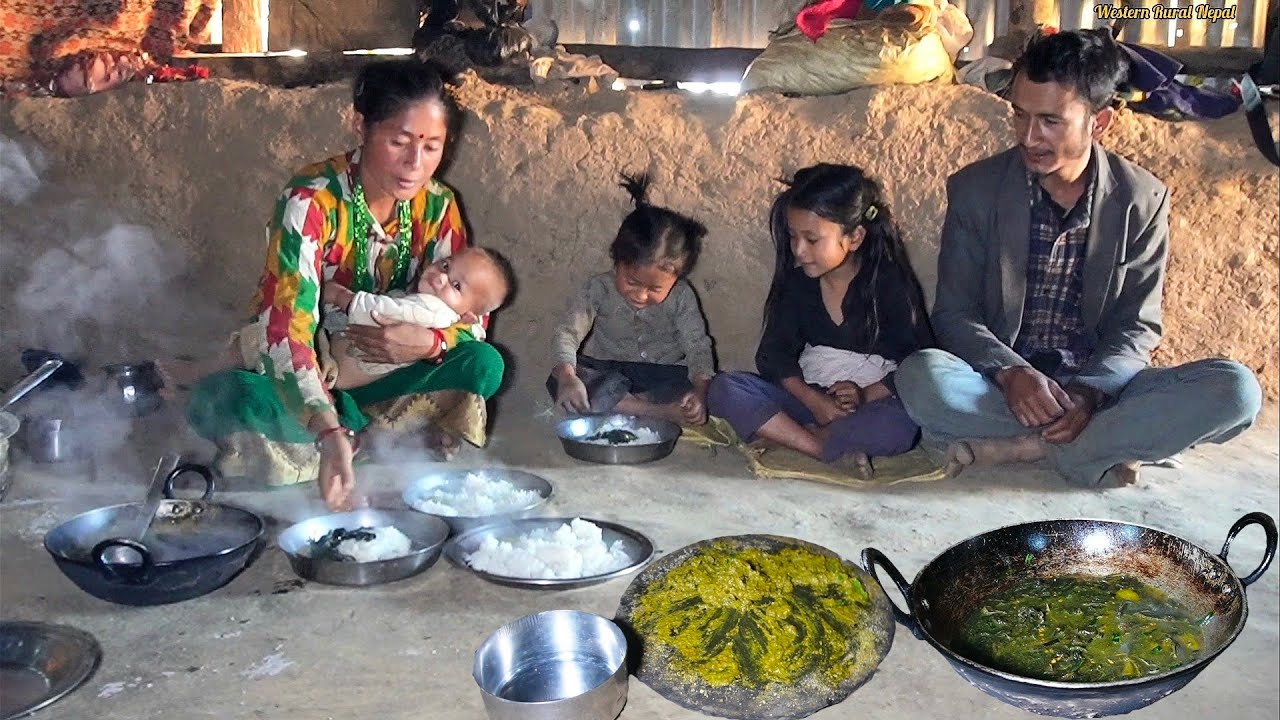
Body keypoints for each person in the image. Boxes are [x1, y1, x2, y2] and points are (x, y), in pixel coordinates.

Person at [894, 29, 1262, 488]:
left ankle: (1039, 449)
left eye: (1050, 121)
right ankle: (1103, 448)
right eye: (1020, 115)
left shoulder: (1140, 200)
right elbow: (955, 313)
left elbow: (1137, 327)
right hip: (1001, 387)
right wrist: (1012, 373)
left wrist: (1090, 393)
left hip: (1101, 393)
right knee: (921, 377)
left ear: (1099, 122)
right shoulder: (976, 190)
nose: (1029, 136)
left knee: (1237, 391)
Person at [184, 58, 506, 511]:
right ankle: (350, 433)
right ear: (360, 126)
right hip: (312, 376)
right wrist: (325, 426)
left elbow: (471, 318)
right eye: (399, 142)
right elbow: (286, 328)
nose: (416, 164)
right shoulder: (311, 199)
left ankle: (353, 429)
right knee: (230, 398)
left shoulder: (438, 206)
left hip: (382, 377)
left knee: (483, 364)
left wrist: (428, 345)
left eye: (433, 147)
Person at [706, 164, 934, 478]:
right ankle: (821, 447)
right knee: (726, 388)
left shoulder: (890, 285)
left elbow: (919, 362)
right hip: (807, 398)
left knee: (898, 428)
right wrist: (814, 401)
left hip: (869, 404)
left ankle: (792, 437)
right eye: (793, 237)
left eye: (812, 239)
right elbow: (774, 356)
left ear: (854, 237)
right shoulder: (798, 285)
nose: (799, 250)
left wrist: (864, 394)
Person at [166, 246, 513, 390]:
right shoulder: (320, 194)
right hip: (336, 365)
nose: (439, 277)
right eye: (446, 266)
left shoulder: (431, 308)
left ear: (466, 312)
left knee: (261, 344)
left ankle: (199, 374)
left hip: (338, 372)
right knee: (259, 379)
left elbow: (385, 312)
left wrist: (342, 298)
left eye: (455, 285)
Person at [548, 172, 715, 426]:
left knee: (718, 386)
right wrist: (568, 377)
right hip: (610, 371)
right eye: (632, 281)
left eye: (654, 288)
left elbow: (697, 347)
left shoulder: (682, 296)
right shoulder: (598, 288)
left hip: (664, 376)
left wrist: (700, 393)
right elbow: (567, 333)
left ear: (676, 279)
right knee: (562, 377)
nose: (640, 295)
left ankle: (629, 406)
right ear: (618, 262)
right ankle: (658, 412)